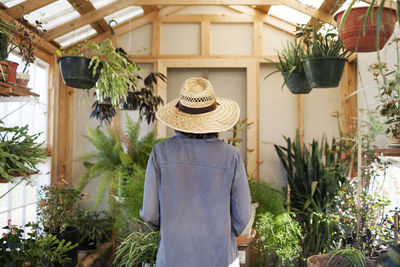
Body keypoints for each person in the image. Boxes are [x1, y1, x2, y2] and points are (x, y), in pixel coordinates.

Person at [140, 77, 251, 267]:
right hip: (220, 258)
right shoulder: (231, 157)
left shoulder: (160, 154)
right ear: (215, 119)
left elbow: (150, 215)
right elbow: (242, 219)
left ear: (179, 118)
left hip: (173, 258)